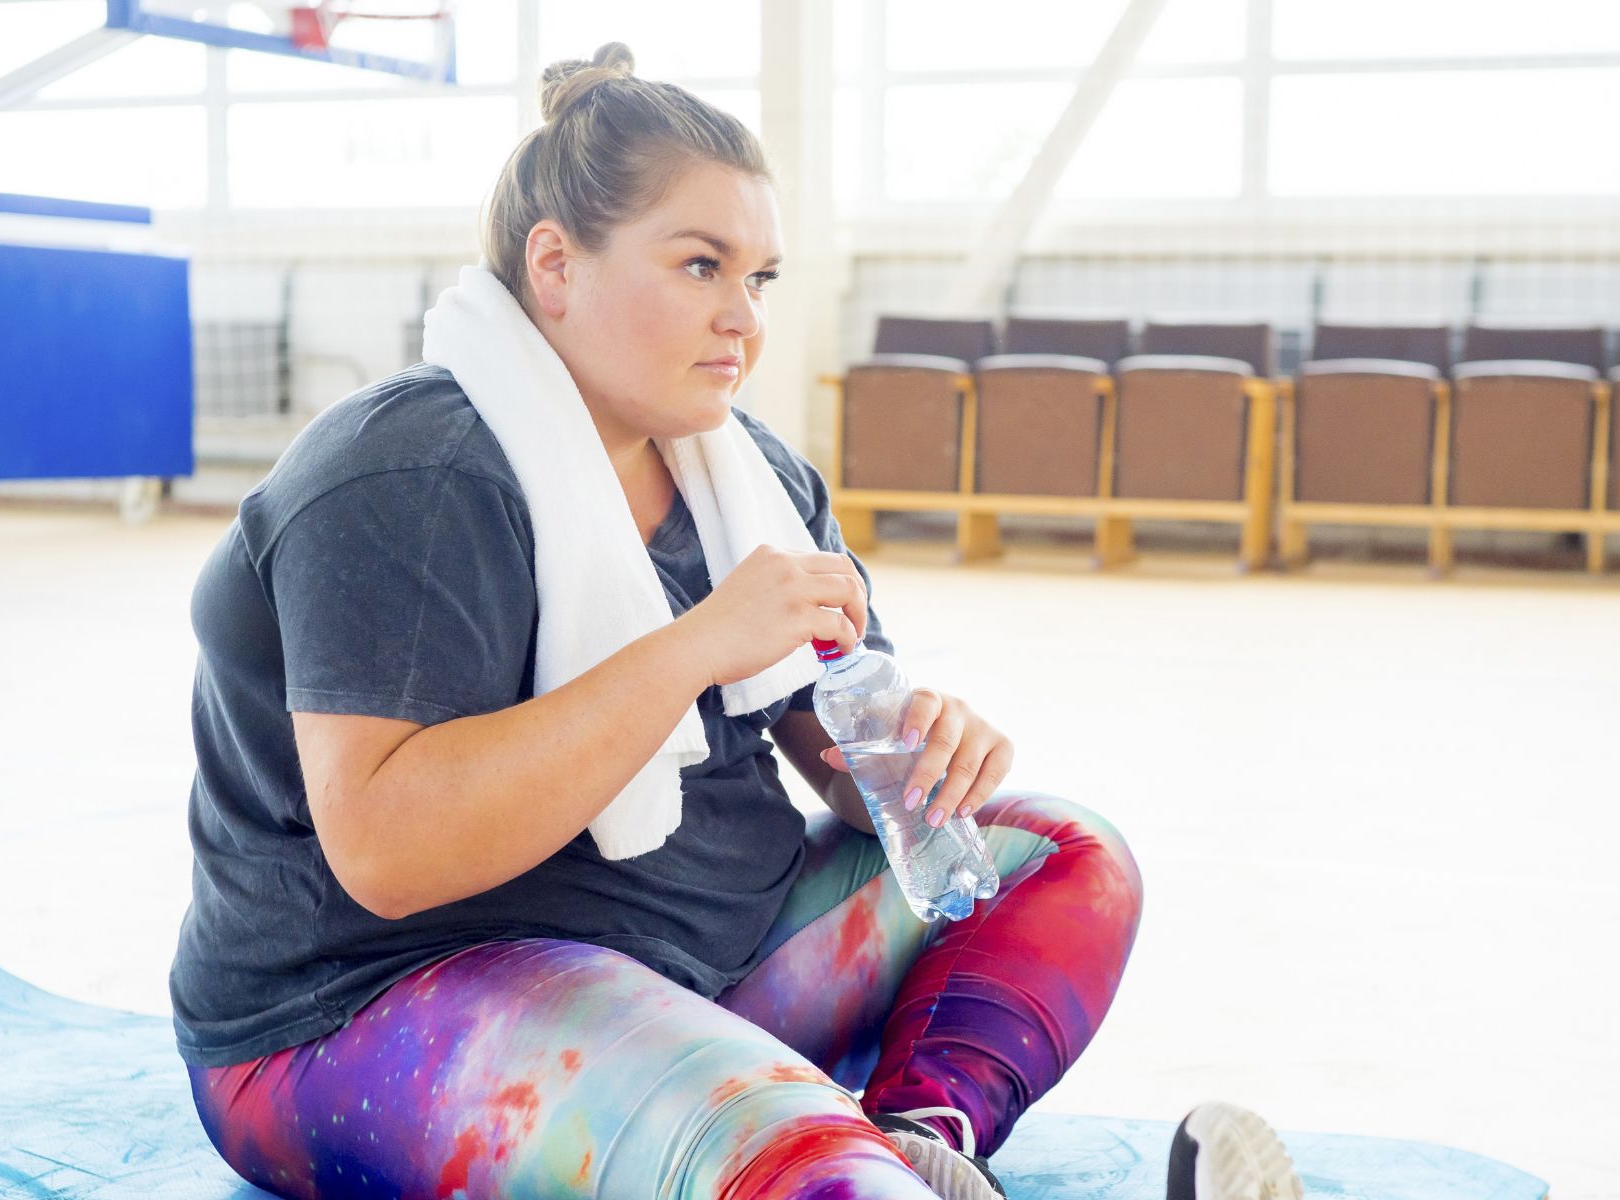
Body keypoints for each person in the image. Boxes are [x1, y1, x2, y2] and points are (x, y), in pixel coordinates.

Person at [168, 42, 1296, 1200]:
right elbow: (389, 856)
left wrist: (920, 768)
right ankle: (847, 1163)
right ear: (554, 267)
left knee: (1062, 855)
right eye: (701, 266)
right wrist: (697, 642)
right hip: (370, 1006)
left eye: (758, 279)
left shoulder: (751, 478)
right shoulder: (411, 474)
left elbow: (848, 776)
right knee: (776, 1152)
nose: (741, 321)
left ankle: (923, 1141)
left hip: (703, 962)